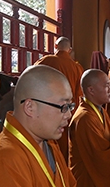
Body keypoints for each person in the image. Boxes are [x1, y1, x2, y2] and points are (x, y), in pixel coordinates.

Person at [36, 36, 85, 164]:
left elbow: (31, 77)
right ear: (69, 50)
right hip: (69, 112)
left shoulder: (47, 61)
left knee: (50, 145)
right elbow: (80, 93)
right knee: (66, 145)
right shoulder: (77, 67)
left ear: (55, 47)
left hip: (49, 110)